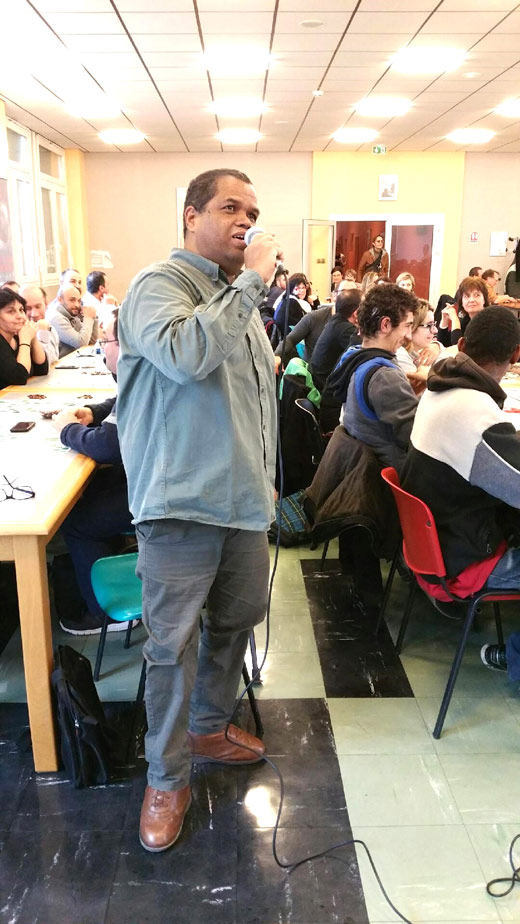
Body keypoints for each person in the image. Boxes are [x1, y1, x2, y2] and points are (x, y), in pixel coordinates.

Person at [116, 167, 278, 853]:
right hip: (181, 505)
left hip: (242, 504)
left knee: (237, 619)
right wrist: (253, 283)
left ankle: (209, 727)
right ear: (190, 215)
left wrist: (266, 481)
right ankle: (166, 777)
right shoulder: (160, 285)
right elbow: (186, 356)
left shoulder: (229, 297)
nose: (246, 222)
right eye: (230, 208)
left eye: (253, 213)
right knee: (172, 647)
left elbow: (249, 399)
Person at [401, 308, 520, 638]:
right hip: (463, 562)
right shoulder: (478, 416)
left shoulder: (436, 391)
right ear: (515, 355)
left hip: (436, 545)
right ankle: (513, 656)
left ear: (462, 345)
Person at [323, 283, 418, 471]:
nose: (409, 336)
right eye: (407, 326)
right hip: (390, 474)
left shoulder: (353, 356)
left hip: (359, 466)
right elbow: (417, 437)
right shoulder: (384, 376)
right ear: (385, 324)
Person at [310, 288, 361, 391]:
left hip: (319, 382)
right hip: (326, 389)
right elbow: (366, 351)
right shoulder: (346, 330)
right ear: (356, 313)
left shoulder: (335, 322)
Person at [0, 288, 48, 389]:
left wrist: (33, 337)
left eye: (21, 310)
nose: (20, 316)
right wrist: (25, 341)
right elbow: (19, 377)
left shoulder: (17, 337)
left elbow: (42, 370)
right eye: (11, 311)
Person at [46, 283, 98, 356]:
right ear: (60, 300)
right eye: (72, 300)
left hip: (74, 360)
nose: (77, 305)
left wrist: (93, 317)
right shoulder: (56, 318)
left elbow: (91, 341)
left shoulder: (72, 315)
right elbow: (81, 343)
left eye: (79, 301)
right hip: (61, 362)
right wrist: (88, 317)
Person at [437, 275, 489, 347]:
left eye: (477, 295)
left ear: (484, 299)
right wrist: (444, 321)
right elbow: (444, 344)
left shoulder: (489, 321)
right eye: (466, 296)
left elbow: (460, 348)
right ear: (461, 301)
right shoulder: (466, 320)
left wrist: (455, 319)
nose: (471, 300)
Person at [19, 283, 59, 364]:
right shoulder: (20, 335)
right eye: (28, 308)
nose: (34, 314)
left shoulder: (51, 329)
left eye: (38, 307)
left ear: (46, 304)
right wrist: (42, 333)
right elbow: (44, 365)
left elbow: (54, 361)